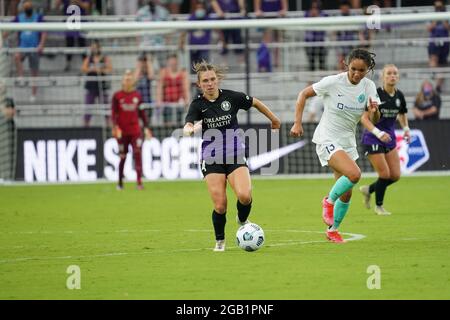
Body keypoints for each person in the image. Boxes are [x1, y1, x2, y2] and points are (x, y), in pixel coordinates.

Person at [290, 48, 387, 243]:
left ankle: (333, 230)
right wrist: (297, 122)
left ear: (368, 70)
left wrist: (374, 110)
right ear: (346, 65)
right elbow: (303, 94)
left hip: (346, 142)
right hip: (327, 138)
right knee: (355, 174)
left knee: (347, 192)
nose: (357, 74)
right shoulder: (333, 82)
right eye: (353, 69)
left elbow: (374, 118)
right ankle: (328, 201)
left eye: (362, 70)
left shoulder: (368, 87)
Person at [183, 61, 281, 251]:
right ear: (199, 84)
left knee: (244, 196)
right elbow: (188, 124)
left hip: (235, 154)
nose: (210, 83)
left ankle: (242, 218)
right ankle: (220, 241)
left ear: (217, 79)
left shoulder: (231, 97)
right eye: (205, 81)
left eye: (212, 79)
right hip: (211, 159)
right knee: (220, 206)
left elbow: (255, 102)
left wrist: (274, 120)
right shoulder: (197, 104)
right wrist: (189, 129)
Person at [359, 64, 411, 216]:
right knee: (384, 174)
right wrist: (377, 132)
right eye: (389, 73)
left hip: (389, 137)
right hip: (372, 138)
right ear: (383, 77)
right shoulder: (375, 94)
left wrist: (406, 129)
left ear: (398, 77)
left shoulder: (399, 96)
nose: (392, 76)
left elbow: (402, 114)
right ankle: (379, 207)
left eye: (395, 73)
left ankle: (369, 190)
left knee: (395, 175)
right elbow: (364, 118)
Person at [111, 70, 153, 191]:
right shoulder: (117, 96)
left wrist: (146, 128)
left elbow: (142, 114)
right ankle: (120, 182)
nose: (128, 81)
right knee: (123, 156)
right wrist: (115, 127)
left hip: (135, 131)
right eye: (126, 79)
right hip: (122, 132)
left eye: (130, 79)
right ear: (122, 81)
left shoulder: (137, 96)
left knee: (137, 154)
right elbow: (114, 114)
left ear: (133, 82)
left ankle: (139, 182)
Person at [11, 1, 47, 102]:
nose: (27, 9)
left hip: (34, 48)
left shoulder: (38, 17)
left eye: (29, 7)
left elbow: (44, 32)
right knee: (17, 56)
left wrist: (41, 44)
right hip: (23, 46)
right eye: (26, 7)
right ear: (23, 8)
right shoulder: (19, 17)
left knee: (34, 73)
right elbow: (9, 28)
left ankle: (33, 94)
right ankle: (21, 77)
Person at [81, 40, 112, 126]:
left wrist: (101, 70)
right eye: (92, 47)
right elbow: (83, 68)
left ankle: (109, 125)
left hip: (102, 85)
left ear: (99, 48)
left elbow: (109, 69)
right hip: (91, 86)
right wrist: (92, 69)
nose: (94, 49)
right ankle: (86, 125)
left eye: (95, 47)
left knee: (106, 107)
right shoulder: (89, 58)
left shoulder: (105, 58)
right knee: (88, 107)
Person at [54, 0, 91, 72]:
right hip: (69, 21)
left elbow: (87, 6)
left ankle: (85, 63)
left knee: (82, 42)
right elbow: (56, 6)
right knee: (69, 42)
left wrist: (77, 1)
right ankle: (68, 63)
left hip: (81, 21)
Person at [156, 54, 191, 126]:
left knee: (178, 122)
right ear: (168, 63)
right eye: (171, 63)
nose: (173, 65)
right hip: (167, 102)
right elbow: (159, 87)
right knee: (167, 123)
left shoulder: (182, 73)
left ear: (177, 63)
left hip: (179, 102)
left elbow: (186, 88)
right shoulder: (163, 72)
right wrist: (159, 100)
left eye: (174, 63)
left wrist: (187, 99)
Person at [427, 0, 450, 92]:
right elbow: (429, 28)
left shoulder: (447, 16)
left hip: (445, 42)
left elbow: (448, 28)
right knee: (433, 58)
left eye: (440, 8)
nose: (438, 9)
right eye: (437, 8)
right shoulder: (432, 16)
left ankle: (438, 86)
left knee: (442, 64)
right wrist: (436, 19)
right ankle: (433, 72)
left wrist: (443, 18)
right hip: (434, 41)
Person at [304, 0, 328, 71]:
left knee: (322, 62)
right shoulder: (307, 14)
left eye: (316, 7)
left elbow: (326, 21)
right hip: (310, 41)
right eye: (313, 7)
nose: (314, 9)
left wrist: (317, 16)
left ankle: (322, 79)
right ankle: (311, 80)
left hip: (320, 40)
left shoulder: (323, 14)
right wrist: (311, 16)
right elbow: (304, 22)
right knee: (311, 63)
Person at [134, 52, 155, 124]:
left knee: (147, 123)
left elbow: (151, 76)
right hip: (137, 102)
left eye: (144, 61)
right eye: (141, 61)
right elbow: (134, 80)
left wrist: (148, 61)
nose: (143, 64)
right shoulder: (137, 74)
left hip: (147, 102)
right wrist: (139, 66)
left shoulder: (148, 74)